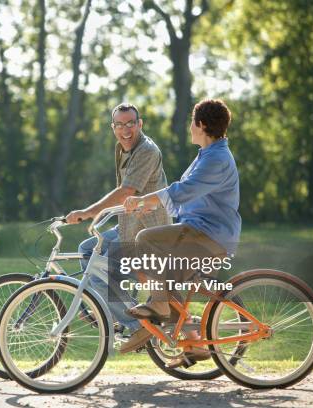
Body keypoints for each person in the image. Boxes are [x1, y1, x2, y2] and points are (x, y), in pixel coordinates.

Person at [120, 99, 241, 367]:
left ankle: (159, 308)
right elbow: (186, 197)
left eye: (192, 121)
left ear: (202, 125)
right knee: (168, 285)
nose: (190, 126)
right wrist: (147, 207)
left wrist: (142, 200)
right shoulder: (207, 155)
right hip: (200, 231)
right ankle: (195, 344)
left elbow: (181, 191)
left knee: (146, 239)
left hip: (210, 236)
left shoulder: (216, 159)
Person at [65, 102, 172, 336]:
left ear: (140, 124)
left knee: (99, 264)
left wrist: (89, 212)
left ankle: (136, 327)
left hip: (149, 232)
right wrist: (105, 216)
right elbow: (124, 196)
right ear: (113, 127)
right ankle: (130, 317)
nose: (126, 130)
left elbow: (126, 191)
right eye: (120, 125)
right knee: (88, 252)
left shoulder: (147, 150)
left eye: (131, 123)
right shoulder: (121, 147)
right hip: (130, 226)